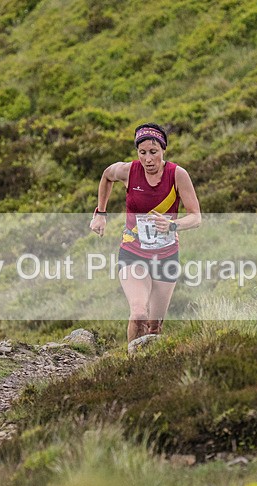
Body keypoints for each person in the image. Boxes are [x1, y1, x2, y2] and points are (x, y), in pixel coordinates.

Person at [89, 123, 201, 345]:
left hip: (166, 255)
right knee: (139, 313)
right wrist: (100, 213)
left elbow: (196, 217)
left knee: (154, 325)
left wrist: (173, 226)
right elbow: (106, 176)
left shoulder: (177, 175)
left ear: (163, 150)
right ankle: (130, 366)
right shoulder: (128, 171)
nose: (148, 159)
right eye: (142, 153)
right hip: (133, 252)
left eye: (153, 152)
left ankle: (149, 368)